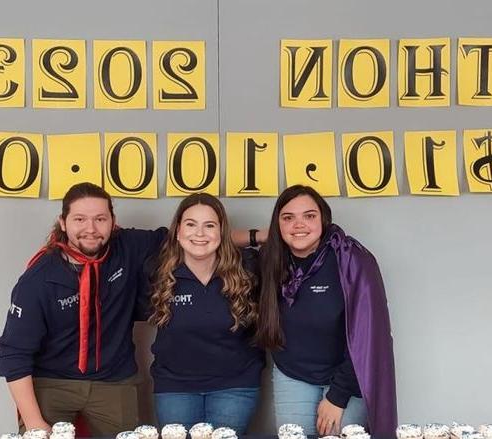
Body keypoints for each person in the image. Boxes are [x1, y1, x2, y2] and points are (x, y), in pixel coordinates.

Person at [0, 182, 168, 435]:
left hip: (114, 379)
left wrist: (249, 236)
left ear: (112, 221)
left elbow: (189, 237)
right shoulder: (38, 279)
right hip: (52, 381)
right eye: (80, 219)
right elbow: (13, 355)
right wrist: (33, 422)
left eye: (100, 219)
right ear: (63, 222)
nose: (91, 229)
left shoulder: (127, 246)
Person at [255, 185, 397, 437]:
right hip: (293, 374)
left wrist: (338, 396)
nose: (299, 224)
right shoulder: (270, 260)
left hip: (347, 377)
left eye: (309, 216)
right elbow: (212, 240)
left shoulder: (353, 261)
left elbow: (369, 338)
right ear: (277, 225)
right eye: (288, 218)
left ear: (324, 219)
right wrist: (256, 236)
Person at [147, 193, 264, 433]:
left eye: (209, 225)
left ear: (222, 232)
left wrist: (260, 236)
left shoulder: (249, 267)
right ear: (178, 231)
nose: (199, 234)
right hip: (174, 388)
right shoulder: (157, 272)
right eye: (191, 224)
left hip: (235, 387)